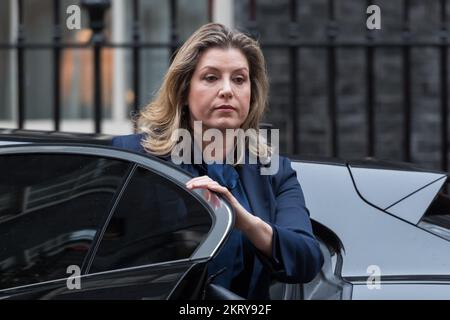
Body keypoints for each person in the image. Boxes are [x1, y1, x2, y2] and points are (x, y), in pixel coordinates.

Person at [111, 23, 323, 299]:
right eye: (211, 78)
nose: (227, 90)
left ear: (252, 92)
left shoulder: (274, 170)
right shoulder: (136, 157)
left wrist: (245, 222)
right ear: (184, 90)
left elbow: (307, 259)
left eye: (239, 79)